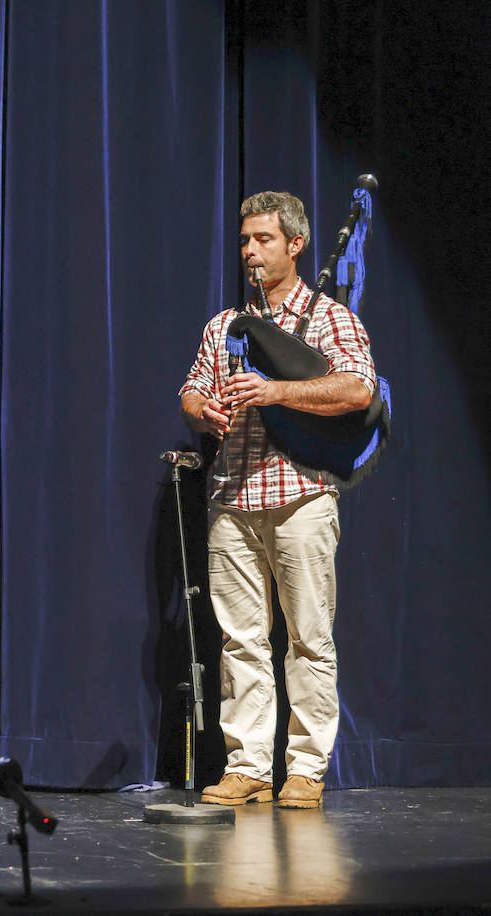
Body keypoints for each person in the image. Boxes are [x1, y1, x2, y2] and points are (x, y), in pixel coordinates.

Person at [179, 191, 376, 810]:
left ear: (295, 245)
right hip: (231, 496)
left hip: (301, 496)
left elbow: (356, 388)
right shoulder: (226, 323)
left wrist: (274, 391)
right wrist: (202, 409)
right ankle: (247, 767)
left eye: (263, 240)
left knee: (308, 638)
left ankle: (307, 770)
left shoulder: (326, 317)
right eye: (244, 241)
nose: (250, 252)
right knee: (240, 640)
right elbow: (190, 389)